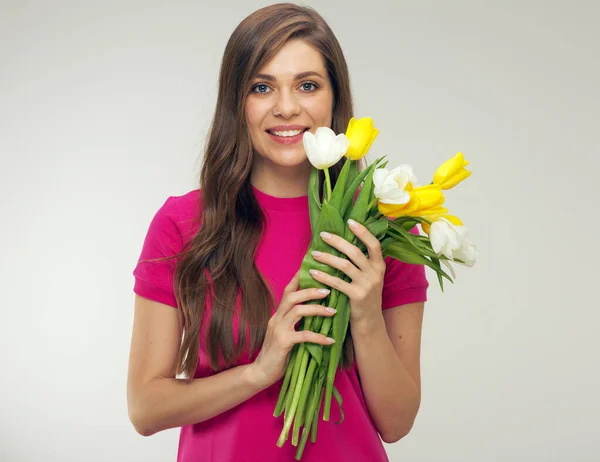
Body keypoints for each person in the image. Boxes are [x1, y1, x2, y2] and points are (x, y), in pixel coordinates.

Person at [127, 3, 429, 461]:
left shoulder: (380, 232)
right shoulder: (184, 225)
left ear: (334, 98)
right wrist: (259, 371)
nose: (286, 108)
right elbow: (145, 409)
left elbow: (397, 422)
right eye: (262, 87)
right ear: (237, 102)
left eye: (307, 85)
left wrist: (366, 316)